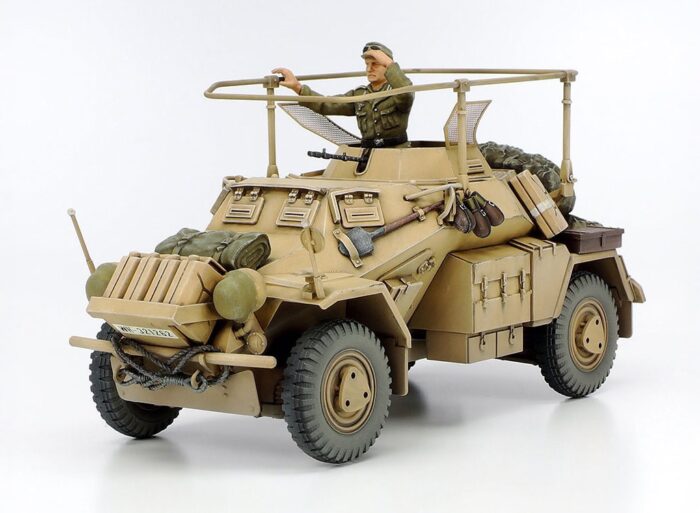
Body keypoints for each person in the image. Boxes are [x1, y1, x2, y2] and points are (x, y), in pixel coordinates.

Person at [273, 42, 414, 148]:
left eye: (375, 64)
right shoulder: (360, 94)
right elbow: (329, 104)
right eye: (367, 64)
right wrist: (297, 87)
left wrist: (390, 63)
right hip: (368, 155)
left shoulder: (396, 92)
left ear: (386, 67)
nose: (369, 69)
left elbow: (406, 93)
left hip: (397, 155)